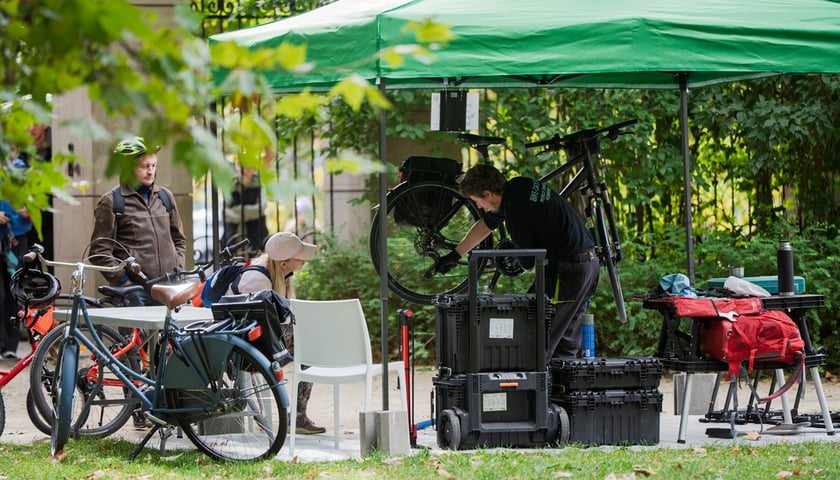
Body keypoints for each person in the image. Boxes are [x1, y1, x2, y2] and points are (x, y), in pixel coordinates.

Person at [433, 164, 600, 361]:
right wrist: (456, 254)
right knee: (565, 341)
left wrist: (511, 257)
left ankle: (535, 379)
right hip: (588, 264)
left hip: (568, 271)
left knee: (534, 331)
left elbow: (527, 264)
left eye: (477, 201)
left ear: (488, 194)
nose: (478, 206)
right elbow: (487, 224)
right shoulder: (519, 187)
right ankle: (559, 380)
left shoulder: (516, 213)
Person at [228, 231, 325, 435]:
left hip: (260, 337)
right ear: (284, 263)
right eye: (300, 258)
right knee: (309, 349)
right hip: (242, 345)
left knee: (310, 349)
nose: (304, 262)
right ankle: (298, 417)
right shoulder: (257, 280)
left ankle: (298, 416)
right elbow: (254, 324)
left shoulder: (280, 275)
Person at [88, 136, 187, 306]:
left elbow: (179, 240)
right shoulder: (112, 201)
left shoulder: (165, 197)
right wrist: (124, 282)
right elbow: (99, 252)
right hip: (136, 292)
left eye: (153, 166)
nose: (151, 172)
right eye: (144, 166)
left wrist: (178, 265)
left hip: (169, 287)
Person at [222, 164, 268, 257]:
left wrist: (237, 210)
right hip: (233, 234)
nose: (246, 170)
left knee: (256, 257)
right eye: (244, 167)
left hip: (256, 232)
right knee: (231, 258)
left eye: (249, 167)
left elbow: (261, 208)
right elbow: (226, 213)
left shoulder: (259, 183)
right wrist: (250, 214)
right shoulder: (231, 183)